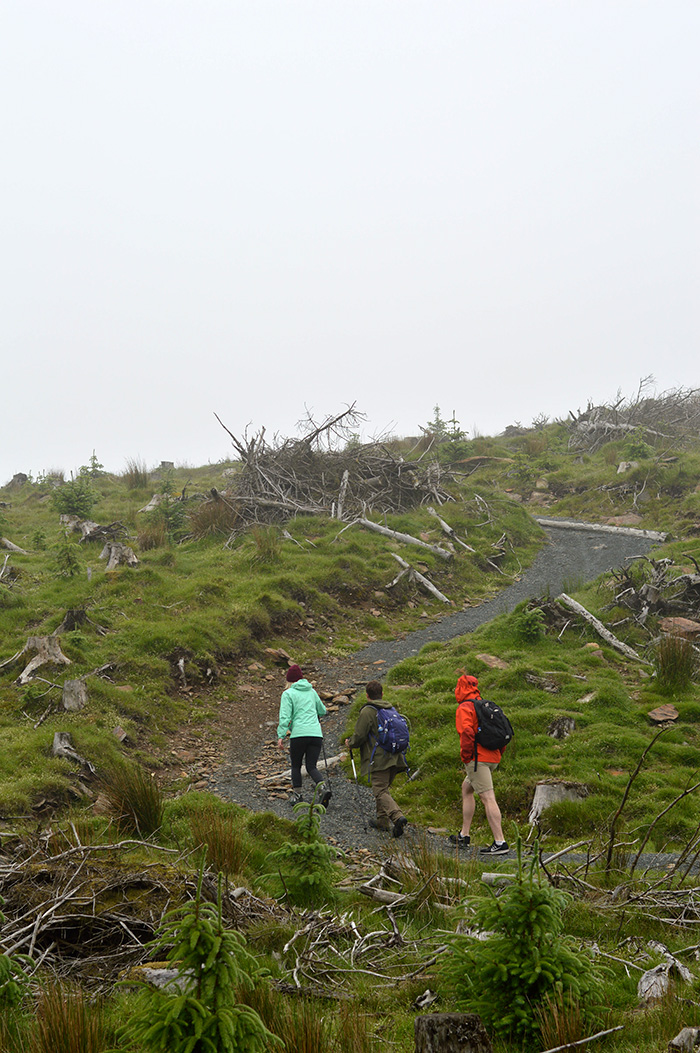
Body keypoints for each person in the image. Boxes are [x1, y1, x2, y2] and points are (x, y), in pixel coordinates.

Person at [449, 673, 509, 855]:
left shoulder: (465, 708)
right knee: (467, 788)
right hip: (492, 757)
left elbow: (466, 732)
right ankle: (464, 835)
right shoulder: (485, 705)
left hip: (477, 760)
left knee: (487, 798)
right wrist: (498, 753)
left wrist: (467, 757)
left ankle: (500, 842)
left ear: (459, 689)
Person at [344, 680, 408, 838]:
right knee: (384, 789)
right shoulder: (390, 708)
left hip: (379, 759)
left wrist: (350, 743)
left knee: (379, 791)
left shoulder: (368, 711)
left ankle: (397, 816)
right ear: (382, 694)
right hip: (396, 757)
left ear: (367, 695)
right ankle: (382, 821)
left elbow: (359, 735)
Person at [277, 664, 332, 808]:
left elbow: (285, 717)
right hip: (315, 734)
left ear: (289, 681)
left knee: (296, 765)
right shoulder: (312, 691)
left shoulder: (288, 694)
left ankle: (298, 796)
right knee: (311, 766)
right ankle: (322, 788)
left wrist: (281, 736)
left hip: (299, 734)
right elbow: (322, 710)